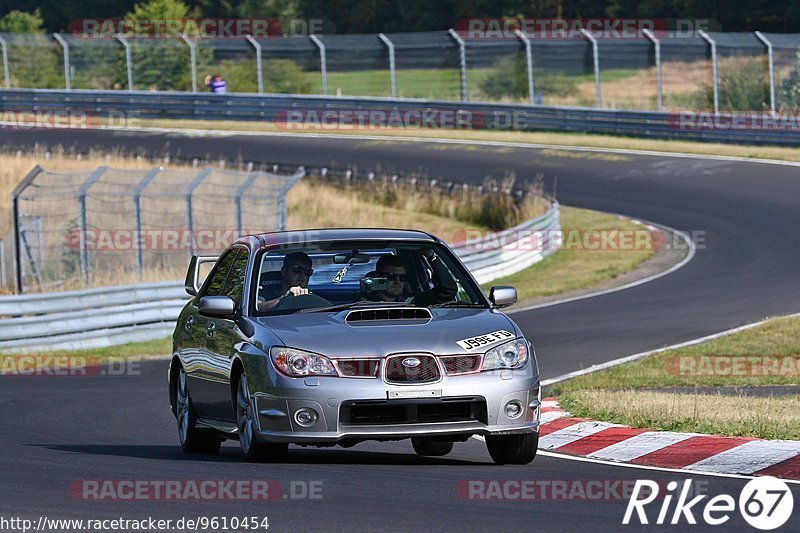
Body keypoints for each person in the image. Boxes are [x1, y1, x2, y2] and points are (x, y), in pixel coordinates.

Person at [368, 249, 458, 306]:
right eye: (392, 276)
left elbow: (448, 290)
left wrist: (431, 257)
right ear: (377, 277)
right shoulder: (361, 303)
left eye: (402, 277)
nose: (397, 281)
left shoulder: (414, 301)